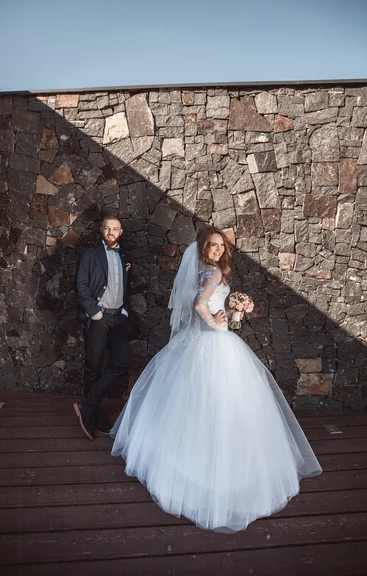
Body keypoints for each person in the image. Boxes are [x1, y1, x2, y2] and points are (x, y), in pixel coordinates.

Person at [110, 226, 322, 533]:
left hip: (200, 344)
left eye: (220, 246)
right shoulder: (211, 274)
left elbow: (204, 304)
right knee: (218, 405)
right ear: (202, 248)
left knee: (194, 407)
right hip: (212, 345)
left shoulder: (206, 271)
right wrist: (216, 325)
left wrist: (234, 314)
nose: (217, 250)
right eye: (212, 245)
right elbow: (199, 306)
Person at [73, 215, 132, 440]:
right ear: (101, 230)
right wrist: (94, 312)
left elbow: (127, 286)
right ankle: (92, 414)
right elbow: (80, 285)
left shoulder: (125, 256)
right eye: (107, 228)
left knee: (122, 362)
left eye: (115, 229)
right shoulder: (89, 255)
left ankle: (86, 405)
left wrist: (125, 310)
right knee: (94, 367)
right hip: (98, 317)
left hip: (119, 318)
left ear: (120, 231)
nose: (110, 232)